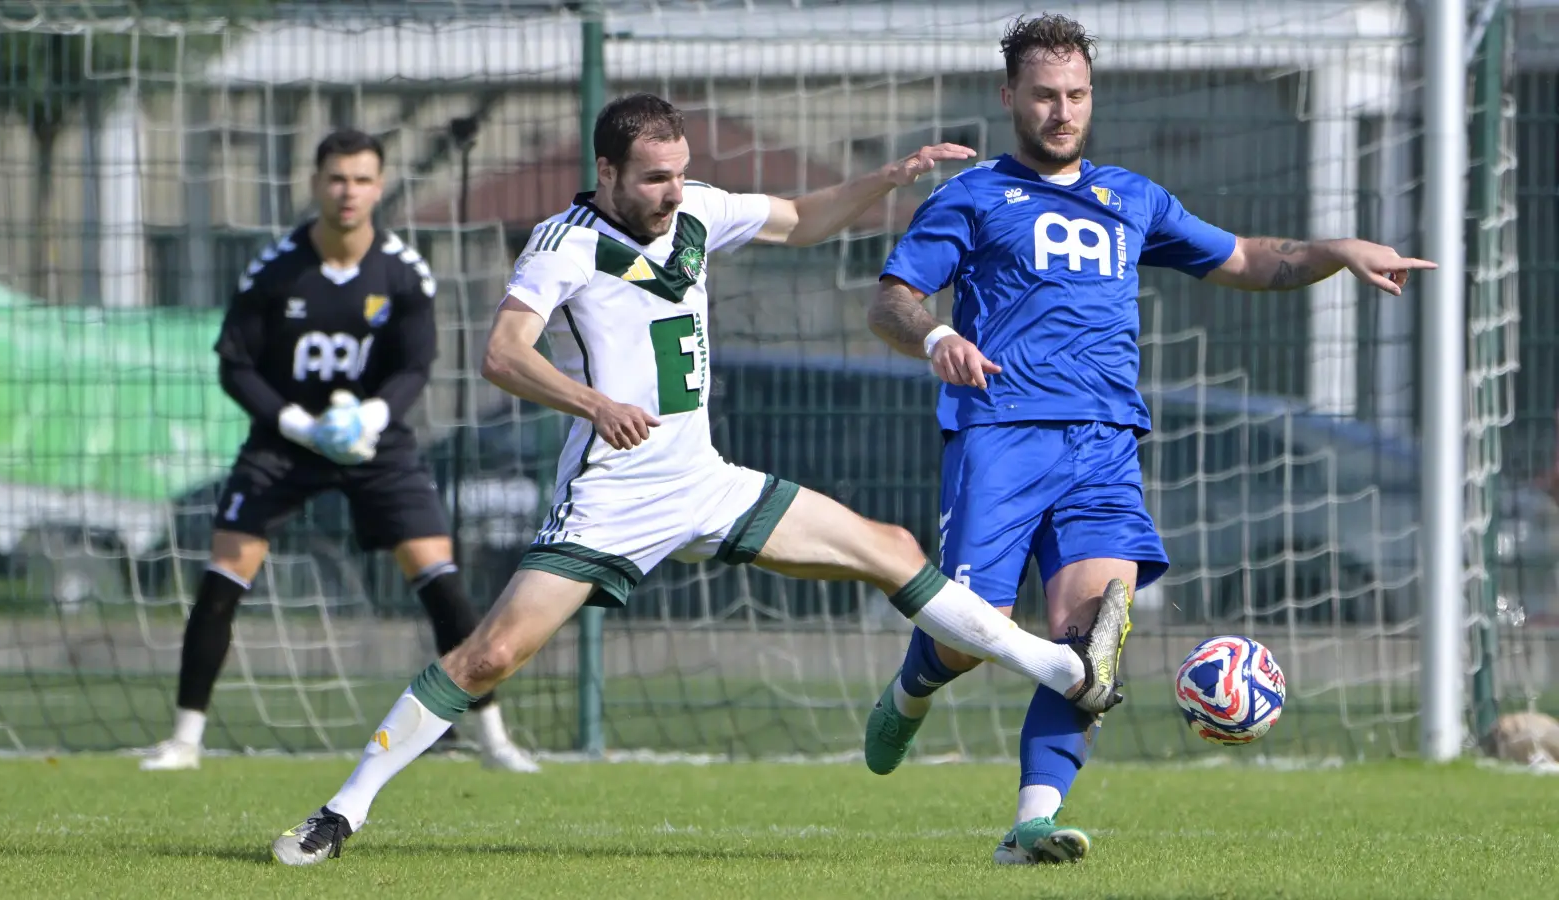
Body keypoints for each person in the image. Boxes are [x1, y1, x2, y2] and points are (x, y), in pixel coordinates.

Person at [268, 92, 1133, 866]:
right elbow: (501, 353)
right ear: (606, 172)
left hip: (703, 483)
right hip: (608, 501)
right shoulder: (564, 245)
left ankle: (1060, 670)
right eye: (652, 178)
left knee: (892, 548)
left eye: (679, 173)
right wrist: (590, 402)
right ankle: (341, 812)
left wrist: (889, 177)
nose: (672, 191)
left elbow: (801, 218)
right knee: (491, 654)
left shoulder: (697, 214)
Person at [863, 13, 1438, 865]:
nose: (1062, 111)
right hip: (1002, 435)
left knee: (1094, 640)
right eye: (1045, 95)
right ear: (1009, 97)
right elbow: (892, 301)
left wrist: (1338, 249)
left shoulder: (1133, 197)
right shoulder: (973, 196)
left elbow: (1253, 258)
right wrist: (937, 338)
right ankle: (915, 685)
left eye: (1077, 95)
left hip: (1105, 446)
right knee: (965, 636)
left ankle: (1030, 825)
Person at [137, 128, 539, 775]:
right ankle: (184, 741)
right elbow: (234, 364)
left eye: (360, 179)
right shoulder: (275, 269)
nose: (347, 191)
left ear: (377, 187)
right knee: (222, 580)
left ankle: (493, 739)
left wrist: (373, 416)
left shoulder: (405, 272)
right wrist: (296, 422)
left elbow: (416, 365)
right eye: (336, 178)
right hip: (284, 443)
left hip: (377, 445)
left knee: (441, 583)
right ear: (316, 184)